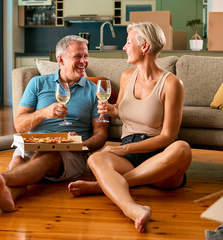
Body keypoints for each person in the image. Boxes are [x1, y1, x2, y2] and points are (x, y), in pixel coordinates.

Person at [68, 22, 192, 233]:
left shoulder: (172, 84)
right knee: (95, 158)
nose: (124, 47)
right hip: (129, 158)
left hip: (159, 160)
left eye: (128, 42)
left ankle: (105, 186)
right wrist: (111, 109)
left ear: (144, 47)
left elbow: (168, 137)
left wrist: (123, 149)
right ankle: (132, 209)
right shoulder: (127, 76)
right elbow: (121, 109)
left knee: (182, 149)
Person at [0, 35, 109, 212]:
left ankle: (0, 178)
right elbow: (20, 125)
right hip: (33, 144)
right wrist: (44, 113)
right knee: (20, 163)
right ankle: (7, 197)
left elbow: (101, 134)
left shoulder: (95, 91)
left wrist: (81, 145)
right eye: (78, 56)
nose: (84, 61)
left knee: (48, 154)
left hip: (68, 153)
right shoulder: (37, 83)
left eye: (86, 56)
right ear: (60, 59)